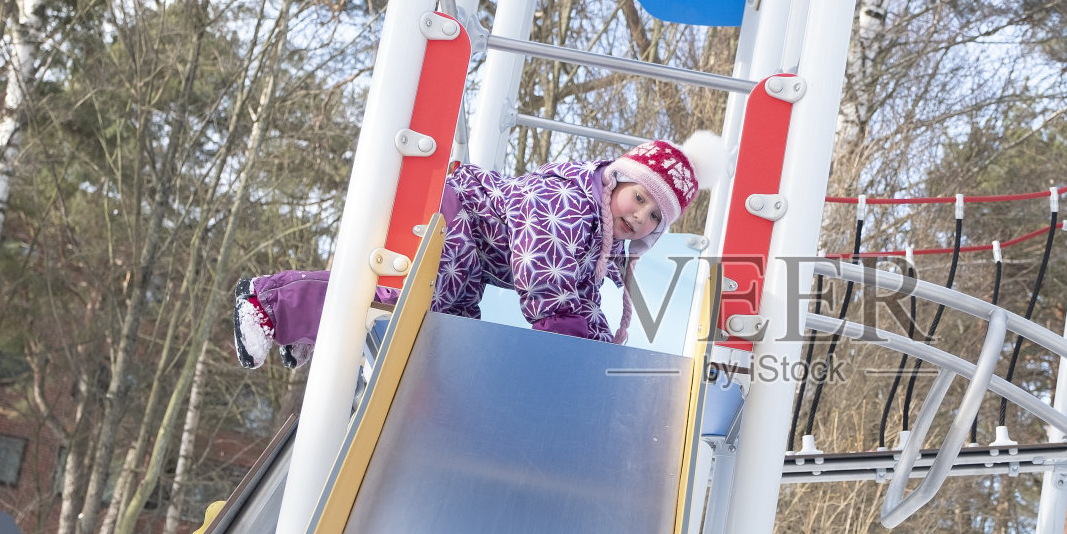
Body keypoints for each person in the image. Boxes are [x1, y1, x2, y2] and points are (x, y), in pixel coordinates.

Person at [232, 132, 724, 368]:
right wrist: (572, 344)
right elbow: (547, 280)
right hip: (452, 214)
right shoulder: (571, 203)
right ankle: (268, 305)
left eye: (654, 216)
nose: (641, 215)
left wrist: (596, 352)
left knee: (450, 327)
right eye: (639, 198)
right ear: (618, 180)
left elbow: (579, 300)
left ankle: (310, 329)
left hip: (465, 240)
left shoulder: (599, 241)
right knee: (422, 304)